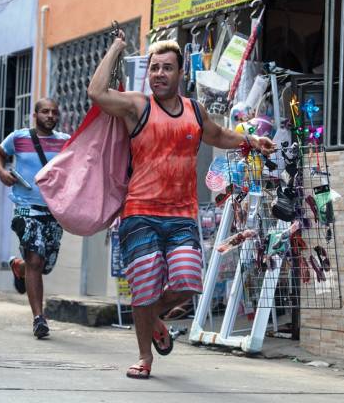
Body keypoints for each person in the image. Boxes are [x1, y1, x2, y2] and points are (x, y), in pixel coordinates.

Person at [87, 34, 275, 379]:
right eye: (154, 68)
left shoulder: (194, 110)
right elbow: (97, 94)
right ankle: (145, 356)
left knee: (189, 282)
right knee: (143, 285)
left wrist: (251, 140)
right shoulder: (137, 105)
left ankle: (153, 316)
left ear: (180, 74)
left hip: (181, 213)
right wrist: (115, 48)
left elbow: (218, 135)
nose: (159, 73)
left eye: (167, 68)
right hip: (140, 211)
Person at [0, 98, 70, 339]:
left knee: (43, 265)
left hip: (54, 210)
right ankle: (39, 318)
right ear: (35, 115)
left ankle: (19, 267)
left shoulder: (66, 142)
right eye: (45, 111)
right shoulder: (18, 138)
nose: (50, 115)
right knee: (36, 258)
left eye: (54, 112)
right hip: (26, 209)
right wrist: (2, 172)